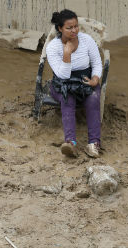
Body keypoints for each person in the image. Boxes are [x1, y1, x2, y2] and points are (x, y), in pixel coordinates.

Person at [46, 9, 102, 158]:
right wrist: (67, 53)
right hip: (62, 85)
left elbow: (97, 63)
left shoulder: (87, 40)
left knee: (93, 99)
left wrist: (95, 79)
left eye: (76, 26)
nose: (74, 30)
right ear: (60, 29)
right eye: (69, 28)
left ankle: (94, 143)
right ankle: (71, 143)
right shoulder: (53, 47)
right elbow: (62, 75)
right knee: (67, 100)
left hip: (85, 81)